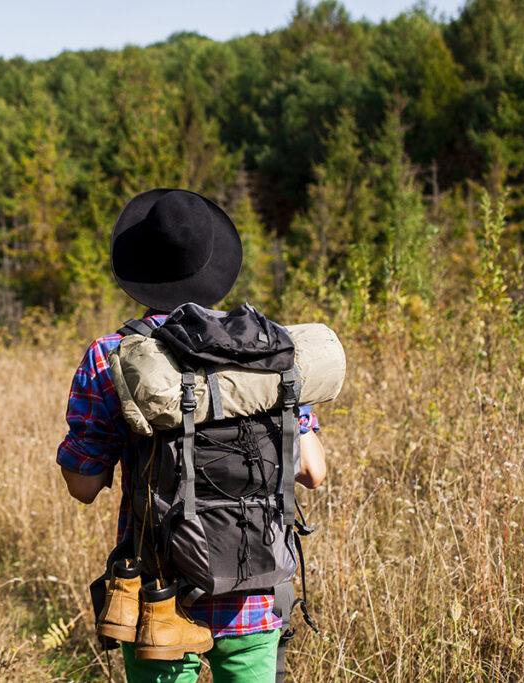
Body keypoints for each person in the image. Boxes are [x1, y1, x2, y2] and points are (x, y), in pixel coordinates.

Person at [56, 188, 327, 683]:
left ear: (137, 272)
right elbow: (312, 470)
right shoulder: (265, 350)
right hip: (255, 581)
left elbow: (83, 486)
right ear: (215, 265)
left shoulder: (110, 356)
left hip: (159, 598)